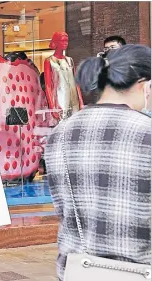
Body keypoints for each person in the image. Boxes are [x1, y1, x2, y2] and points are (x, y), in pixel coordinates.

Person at [45, 44, 151, 281]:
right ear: (144, 84)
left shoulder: (60, 133)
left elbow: (63, 207)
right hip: (139, 270)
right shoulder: (147, 132)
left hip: (78, 270)